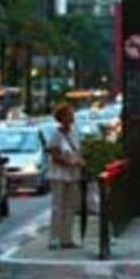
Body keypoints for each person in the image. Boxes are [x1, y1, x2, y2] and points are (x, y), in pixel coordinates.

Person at [47, 103, 85, 249]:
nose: (72, 117)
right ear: (62, 118)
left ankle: (67, 238)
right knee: (58, 206)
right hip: (59, 175)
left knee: (70, 207)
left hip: (73, 174)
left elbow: (78, 151)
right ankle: (54, 239)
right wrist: (70, 163)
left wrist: (79, 162)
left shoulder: (74, 133)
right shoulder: (56, 134)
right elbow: (54, 155)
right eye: (69, 114)